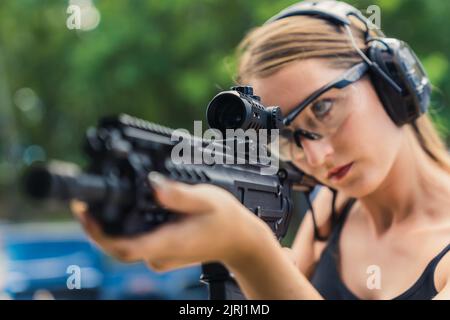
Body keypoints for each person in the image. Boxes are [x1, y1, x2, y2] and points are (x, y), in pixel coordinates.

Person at [71, 1, 450, 299]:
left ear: (391, 77)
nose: (315, 159)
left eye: (323, 108)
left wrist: (249, 250)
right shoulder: (332, 210)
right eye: (287, 136)